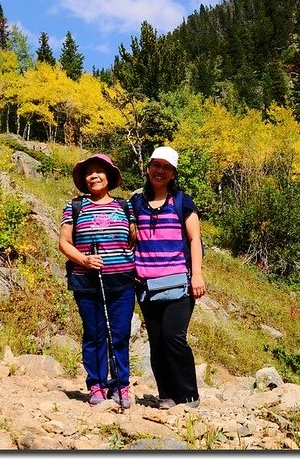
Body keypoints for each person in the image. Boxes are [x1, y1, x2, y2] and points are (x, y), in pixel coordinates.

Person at [58, 153, 136, 408]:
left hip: (122, 281)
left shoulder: (125, 207)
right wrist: (84, 260)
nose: (94, 175)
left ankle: (121, 385)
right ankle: (96, 384)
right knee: (94, 334)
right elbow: (64, 243)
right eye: (89, 172)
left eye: (99, 170)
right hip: (87, 280)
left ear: (109, 176)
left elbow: (133, 240)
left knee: (120, 334)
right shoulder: (75, 207)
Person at [131, 146, 206, 409]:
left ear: (173, 173)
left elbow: (195, 239)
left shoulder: (183, 201)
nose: (160, 171)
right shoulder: (136, 202)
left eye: (166, 167)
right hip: (146, 284)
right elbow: (130, 238)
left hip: (179, 283)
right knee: (157, 341)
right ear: (148, 167)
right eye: (156, 165)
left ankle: (188, 395)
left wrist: (197, 275)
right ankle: (167, 395)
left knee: (174, 337)